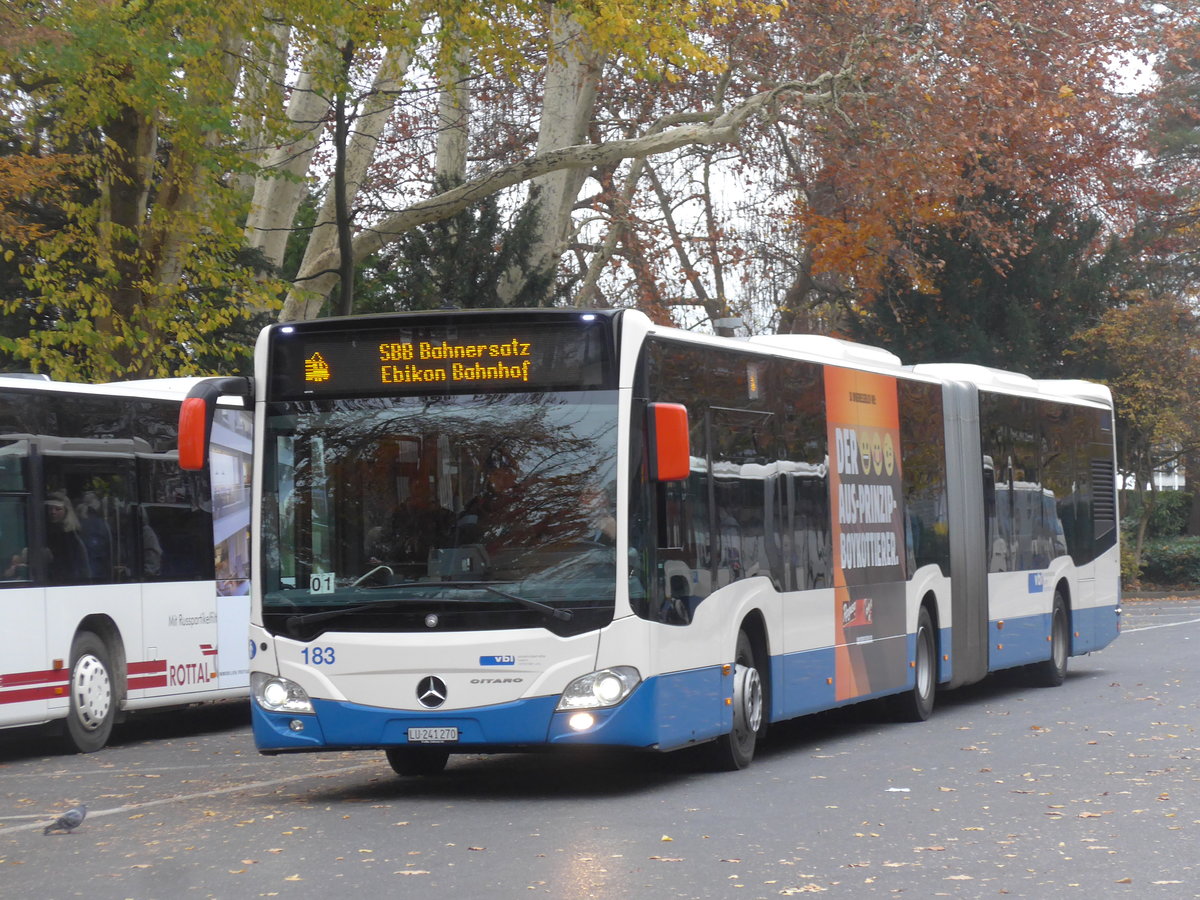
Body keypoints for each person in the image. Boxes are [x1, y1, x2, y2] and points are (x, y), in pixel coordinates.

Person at [45, 491, 89, 583]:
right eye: (50, 509)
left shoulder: (72, 536)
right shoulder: (45, 532)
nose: (53, 512)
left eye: (58, 509)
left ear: (66, 511)